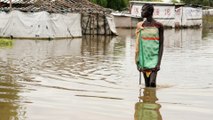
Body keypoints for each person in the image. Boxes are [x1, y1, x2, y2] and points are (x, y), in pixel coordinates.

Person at [135, 4, 164, 87]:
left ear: (150, 12)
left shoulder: (159, 26)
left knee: (152, 83)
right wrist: (138, 63)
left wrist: (158, 63)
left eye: (143, 10)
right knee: (147, 85)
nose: (141, 12)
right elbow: (138, 45)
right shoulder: (140, 26)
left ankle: (153, 98)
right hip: (144, 58)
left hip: (154, 58)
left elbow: (161, 45)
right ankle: (148, 99)